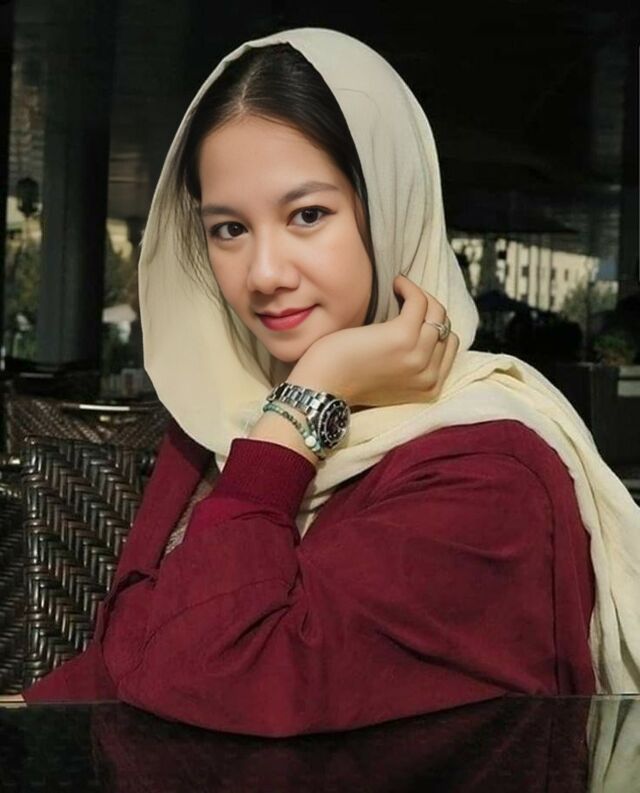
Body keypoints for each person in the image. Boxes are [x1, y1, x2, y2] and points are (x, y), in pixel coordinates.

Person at [7, 28, 639, 736]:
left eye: (308, 215)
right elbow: (130, 651)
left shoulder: (490, 474)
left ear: (390, 209)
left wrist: (311, 394)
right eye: (228, 229)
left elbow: (222, 678)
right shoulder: (219, 424)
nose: (264, 273)